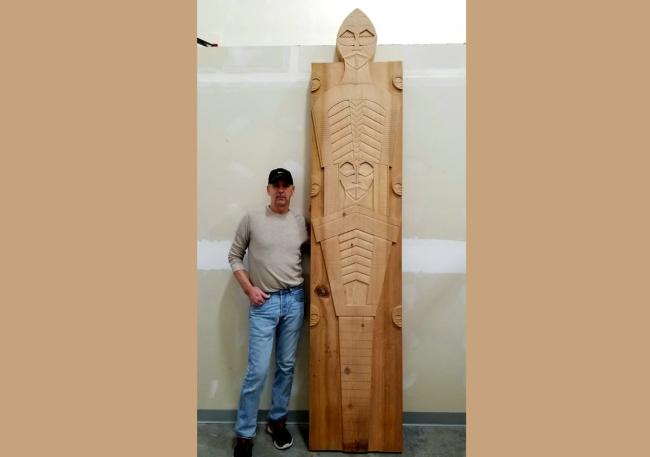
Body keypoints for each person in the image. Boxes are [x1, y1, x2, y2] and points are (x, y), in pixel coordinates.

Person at [228, 168, 309, 457]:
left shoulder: (301, 222)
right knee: (257, 371)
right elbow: (234, 256)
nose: (281, 190)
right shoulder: (252, 219)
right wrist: (249, 289)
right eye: (276, 185)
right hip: (263, 305)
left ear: (292, 190)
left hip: (294, 301)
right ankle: (244, 434)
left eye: (286, 185)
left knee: (286, 367)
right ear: (268, 190)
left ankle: (276, 422)